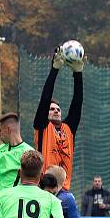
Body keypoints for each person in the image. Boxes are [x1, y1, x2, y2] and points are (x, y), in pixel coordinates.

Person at [33, 48, 85, 191]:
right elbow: (45, 99)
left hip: (64, 189)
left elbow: (77, 103)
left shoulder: (68, 129)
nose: (56, 110)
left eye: (58, 109)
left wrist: (78, 73)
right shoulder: (43, 127)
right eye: (51, 109)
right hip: (45, 188)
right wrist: (54, 69)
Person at [0, 112, 35, 192]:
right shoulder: (0, 149)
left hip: (11, 199)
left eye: (0, 130)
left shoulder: (28, 152)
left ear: (8, 130)